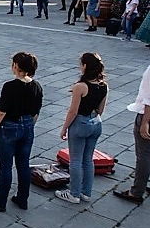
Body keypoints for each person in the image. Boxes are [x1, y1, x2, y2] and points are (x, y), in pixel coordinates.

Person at [0, 52, 42, 212]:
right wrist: (29, 125)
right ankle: (22, 199)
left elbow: (1, 111)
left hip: (10, 126)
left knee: (6, 165)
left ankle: (0, 200)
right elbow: (36, 111)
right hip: (28, 125)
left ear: (16, 66)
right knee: (23, 164)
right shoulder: (36, 86)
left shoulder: (10, 86)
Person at [55, 53, 107, 204]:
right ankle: (86, 192)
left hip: (80, 123)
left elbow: (73, 111)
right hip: (96, 123)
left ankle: (74, 193)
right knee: (88, 159)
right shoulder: (103, 86)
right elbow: (100, 109)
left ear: (85, 66)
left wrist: (64, 128)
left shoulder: (80, 87)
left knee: (75, 160)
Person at [114, 65, 150, 204]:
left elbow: (149, 98)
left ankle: (136, 192)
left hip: (146, 115)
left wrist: (145, 122)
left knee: (144, 155)